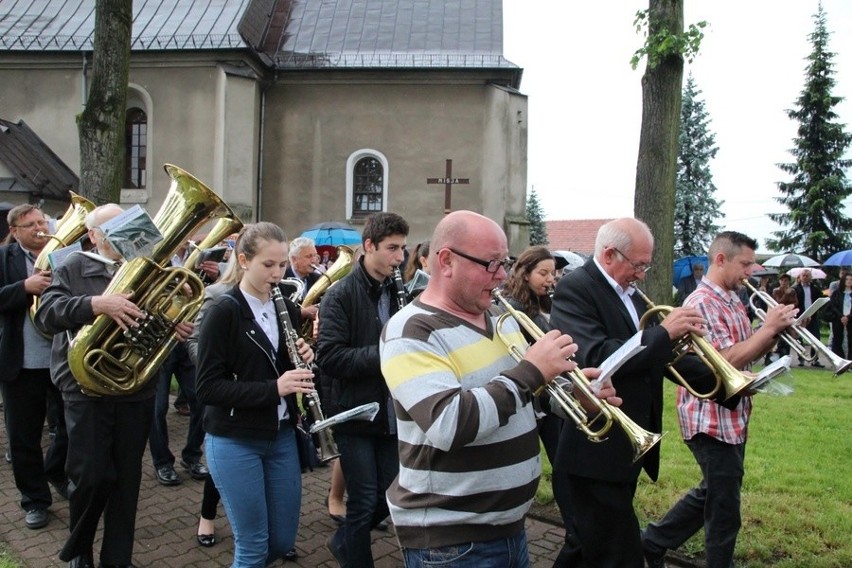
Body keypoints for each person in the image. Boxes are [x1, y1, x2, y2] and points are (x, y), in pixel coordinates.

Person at [379, 211, 618, 567]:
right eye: (491, 264)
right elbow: (450, 424)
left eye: (504, 262)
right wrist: (532, 371)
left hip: (508, 528)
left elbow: (525, 399)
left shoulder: (499, 319)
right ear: (446, 261)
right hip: (453, 542)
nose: (503, 275)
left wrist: (575, 398)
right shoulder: (411, 331)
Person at [549, 217, 717, 568]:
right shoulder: (576, 288)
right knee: (619, 554)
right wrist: (663, 334)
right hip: (595, 450)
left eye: (646, 264)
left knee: (585, 547)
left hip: (625, 447)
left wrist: (724, 382)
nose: (642, 273)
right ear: (610, 255)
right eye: (638, 264)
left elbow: (660, 357)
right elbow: (596, 355)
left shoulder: (631, 295)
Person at [35, 203, 194, 568]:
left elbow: (161, 316)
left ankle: (116, 558)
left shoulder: (151, 268)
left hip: (134, 387)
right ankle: (81, 551)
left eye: (129, 224)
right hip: (85, 387)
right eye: (114, 227)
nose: (125, 233)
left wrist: (175, 326)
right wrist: (95, 303)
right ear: (93, 235)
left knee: (126, 480)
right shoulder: (74, 264)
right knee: (90, 476)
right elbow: (47, 313)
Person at [642, 231, 797, 568]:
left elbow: (747, 355)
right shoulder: (701, 303)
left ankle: (652, 542)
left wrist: (775, 333)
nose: (751, 271)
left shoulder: (730, 299)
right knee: (725, 511)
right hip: (709, 418)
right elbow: (725, 361)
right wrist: (768, 329)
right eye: (745, 263)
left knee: (712, 493)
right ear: (721, 260)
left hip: (731, 415)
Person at [195, 222, 315, 567]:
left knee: (280, 541)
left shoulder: (287, 309)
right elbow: (207, 387)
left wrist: (307, 357)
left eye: (281, 265)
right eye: (268, 265)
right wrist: (273, 388)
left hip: (281, 436)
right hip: (234, 438)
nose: (277, 274)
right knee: (252, 547)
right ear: (244, 260)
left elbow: (288, 371)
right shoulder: (224, 311)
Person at [318, 211, 409, 568]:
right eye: (392, 248)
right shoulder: (339, 295)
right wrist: (386, 354)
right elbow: (330, 357)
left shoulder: (399, 292)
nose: (400, 257)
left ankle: (343, 542)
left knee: (388, 496)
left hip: (391, 413)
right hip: (354, 411)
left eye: (402, 248)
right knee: (363, 499)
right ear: (368, 246)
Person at [0, 204, 69, 530]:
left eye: (42, 221)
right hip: (23, 361)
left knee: (71, 428)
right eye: (31, 225)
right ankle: (35, 500)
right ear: (15, 231)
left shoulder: (65, 253)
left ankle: (55, 471)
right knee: (24, 437)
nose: (40, 228)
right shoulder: (4, 258)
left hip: (62, 358)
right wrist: (23, 289)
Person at [147, 240, 208, 485]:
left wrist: (207, 277)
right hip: (160, 341)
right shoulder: (154, 259)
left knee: (202, 398)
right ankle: (162, 462)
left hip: (187, 339)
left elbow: (202, 296)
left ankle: (192, 455)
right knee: (158, 407)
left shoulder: (195, 256)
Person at [793, 268, 825, 367]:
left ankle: (814, 359)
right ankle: (801, 358)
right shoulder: (795, 288)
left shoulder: (815, 288)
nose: (806, 277)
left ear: (811, 277)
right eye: (804, 275)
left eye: (808, 276)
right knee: (799, 339)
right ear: (800, 277)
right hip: (800, 316)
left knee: (816, 338)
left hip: (812, 316)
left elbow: (821, 298)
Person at [827, 273, 852, 358]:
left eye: (851, 280)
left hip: (850, 318)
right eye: (847, 279)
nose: (849, 281)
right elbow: (833, 306)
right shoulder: (837, 293)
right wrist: (841, 316)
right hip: (838, 319)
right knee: (837, 339)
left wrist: (848, 317)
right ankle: (838, 359)